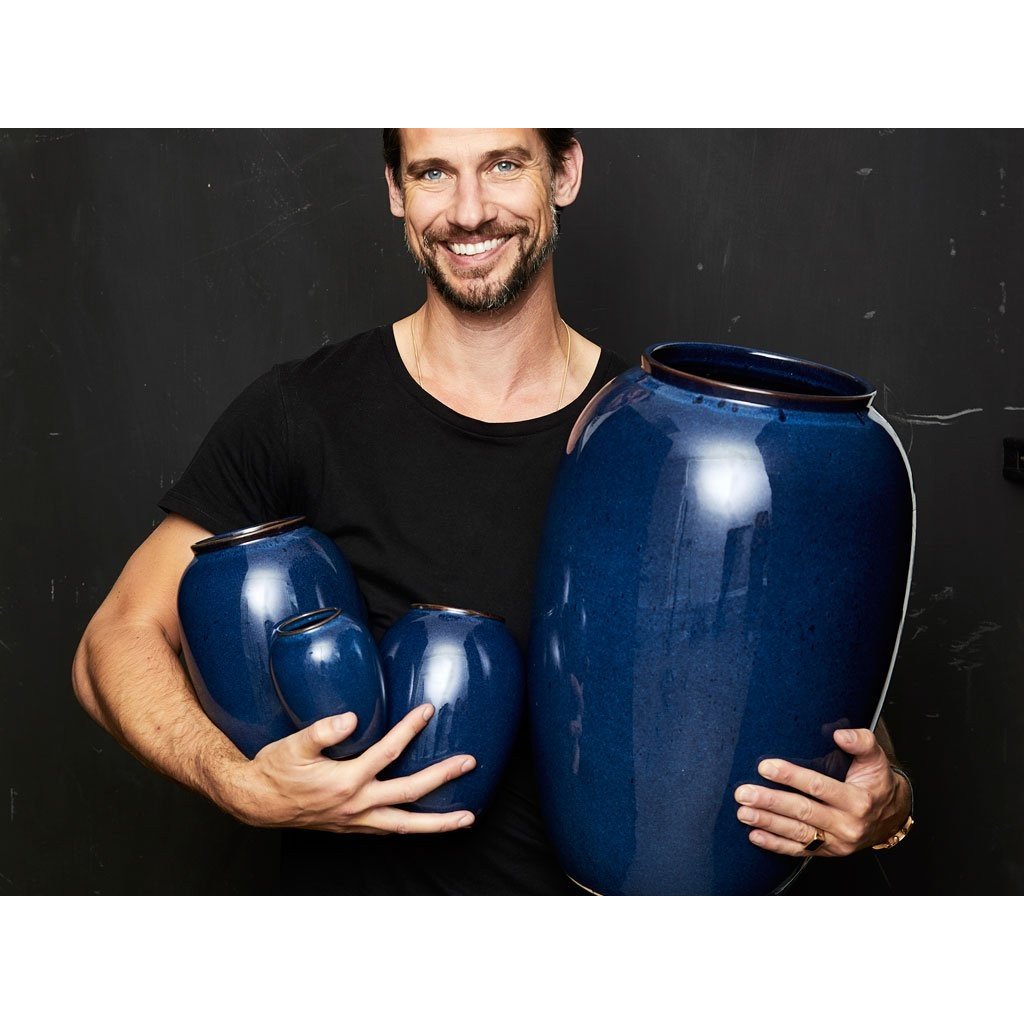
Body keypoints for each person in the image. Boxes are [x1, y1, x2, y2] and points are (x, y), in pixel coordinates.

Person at [72, 129, 913, 894]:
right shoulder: (301, 412)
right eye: (433, 172)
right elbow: (115, 637)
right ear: (396, 191)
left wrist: (886, 804)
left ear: (565, 172)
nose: (469, 211)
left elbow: (792, 698)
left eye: (504, 164)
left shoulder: (661, 440)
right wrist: (235, 782)